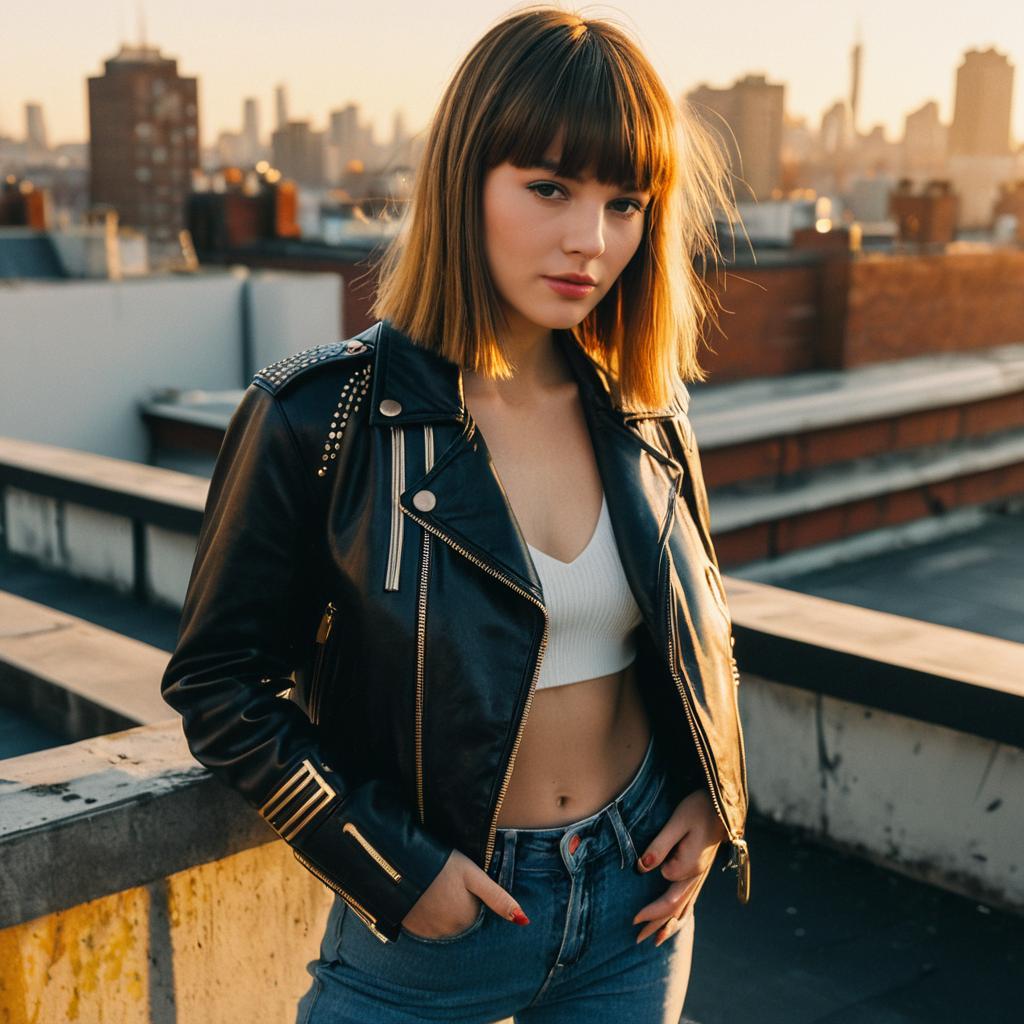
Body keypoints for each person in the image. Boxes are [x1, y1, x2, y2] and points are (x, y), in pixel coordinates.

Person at [160, 5, 750, 1021]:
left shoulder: (644, 410)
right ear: (464, 181)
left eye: (625, 202)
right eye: (550, 188)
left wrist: (712, 801)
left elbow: (701, 629)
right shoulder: (316, 415)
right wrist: (393, 869)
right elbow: (219, 684)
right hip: (437, 923)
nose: (589, 240)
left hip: (635, 907)